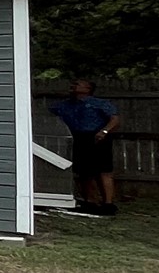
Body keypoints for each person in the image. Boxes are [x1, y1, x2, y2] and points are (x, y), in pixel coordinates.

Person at [50, 80, 121, 216]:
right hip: (77, 137)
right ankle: (90, 202)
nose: (73, 85)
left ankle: (108, 204)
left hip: (97, 137)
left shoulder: (99, 103)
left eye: (78, 84)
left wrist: (104, 131)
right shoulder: (65, 105)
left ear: (88, 88)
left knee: (104, 170)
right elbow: (47, 112)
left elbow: (115, 119)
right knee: (84, 172)